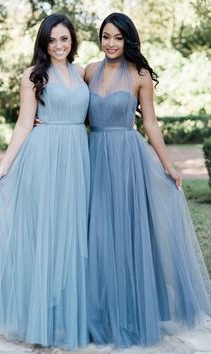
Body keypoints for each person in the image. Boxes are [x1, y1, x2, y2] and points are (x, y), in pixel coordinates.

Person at [85, 12, 211, 348]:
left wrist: (168, 164)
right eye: (106, 36)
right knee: (96, 236)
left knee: (126, 236)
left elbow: (150, 124)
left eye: (118, 37)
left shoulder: (139, 75)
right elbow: (76, 113)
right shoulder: (88, 71)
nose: (111, 43)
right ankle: (97, 313)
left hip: (127, 159)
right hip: (94, 156)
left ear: (128, 39)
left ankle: (129, 313)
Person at [0, 14, 90, 350]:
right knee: (47, 234)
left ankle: (68, 313)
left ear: (72, 40)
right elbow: (22, 124)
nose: (59, 45)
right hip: (45, 157)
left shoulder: (82, 72)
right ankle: (41, 317)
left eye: (64, 39)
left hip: (78, 157)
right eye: (52, 40)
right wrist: (3, 167)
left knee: (73, 235)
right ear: (43, 42)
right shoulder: (33, 75)